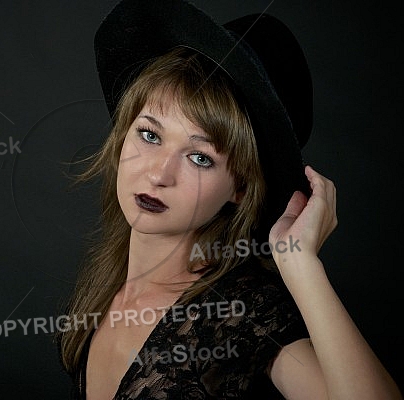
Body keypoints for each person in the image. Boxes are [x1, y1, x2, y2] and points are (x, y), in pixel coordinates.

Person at [58, 0, 402, 398]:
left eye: (200, 158)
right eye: (150, 135)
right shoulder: (103, 285)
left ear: (239, 189)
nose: (158, 174)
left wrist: (301, 264)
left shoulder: (240, 313)